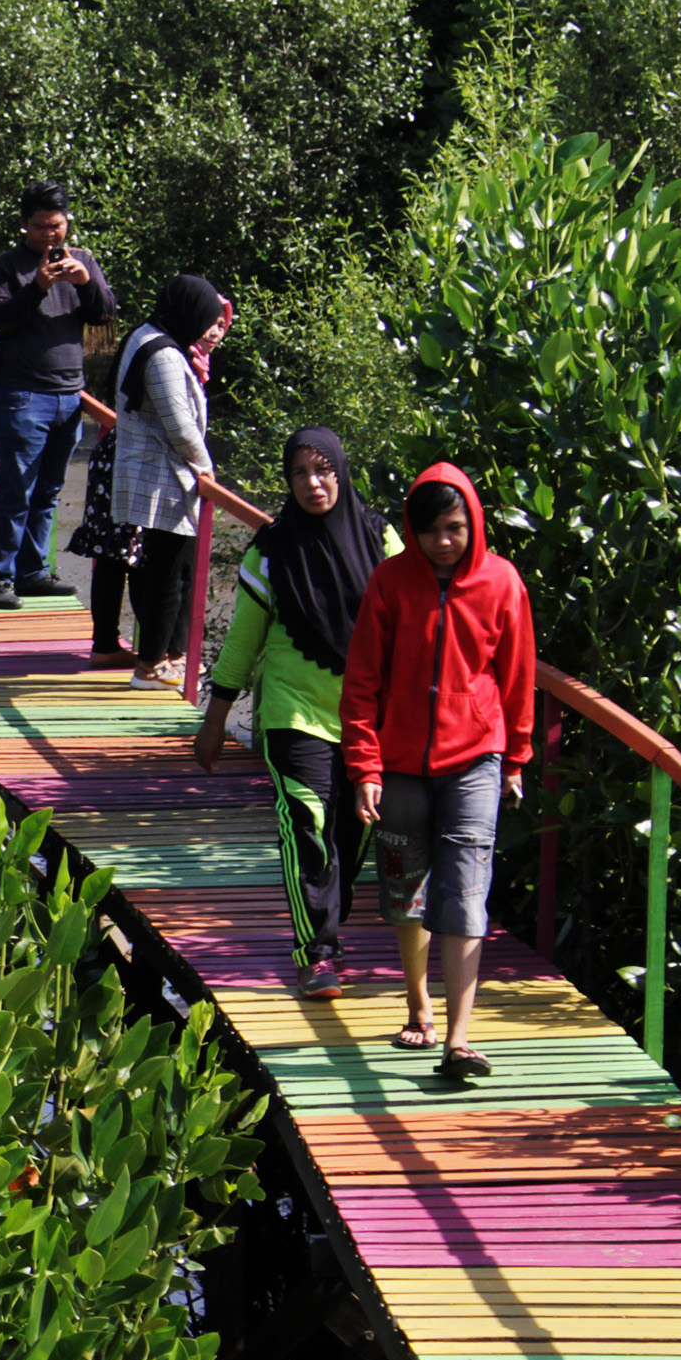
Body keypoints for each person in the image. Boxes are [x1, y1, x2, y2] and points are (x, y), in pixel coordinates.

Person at [340, 462, 537, 1079]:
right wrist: (363, 765)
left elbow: (518, 675)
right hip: (399, 764)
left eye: (454, 528)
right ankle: (418, 1005)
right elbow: (363, 681)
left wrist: (518, 757)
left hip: (478, 755)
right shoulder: (390, 583)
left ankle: (459, 1039)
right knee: (406, 889)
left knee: (467, 888)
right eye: (430, 531)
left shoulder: (502, 582)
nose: (443, 542)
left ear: (473, 523)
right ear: (413, 530)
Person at [194, 427, 398, 997]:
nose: (313, 483)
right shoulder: (272, 549)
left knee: (355, 831)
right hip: (293, 710)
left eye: (323, 469)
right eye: (299, 473)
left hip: (366, 717)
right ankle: (318, 952)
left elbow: (416, 623)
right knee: (308, 824)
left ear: (341, 470)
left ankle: (328, 928)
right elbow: (243, 641)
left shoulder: (381, 539)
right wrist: (215, 722)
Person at [73, 275, 226, 681]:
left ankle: (158, 655)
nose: (210, 330)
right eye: (207, 319)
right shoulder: (164, 356)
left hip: (144, 472)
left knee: (151, 569)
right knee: (166, 576)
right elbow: (180, 427)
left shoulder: (147, 335)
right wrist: (207, 467)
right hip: (159, 478)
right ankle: (152, 664)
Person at [0, 183, 117, 609]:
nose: (49, 236)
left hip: (69, 396)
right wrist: (36, 286)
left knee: (49, 491)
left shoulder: (83, 261)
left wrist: (86, 282)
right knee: (16, 489)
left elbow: (105, 311)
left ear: (67, 222)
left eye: (56, 226)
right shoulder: (6, 267)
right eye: (40, 228)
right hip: (21, 396)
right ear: (24, 225)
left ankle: (33, 573)